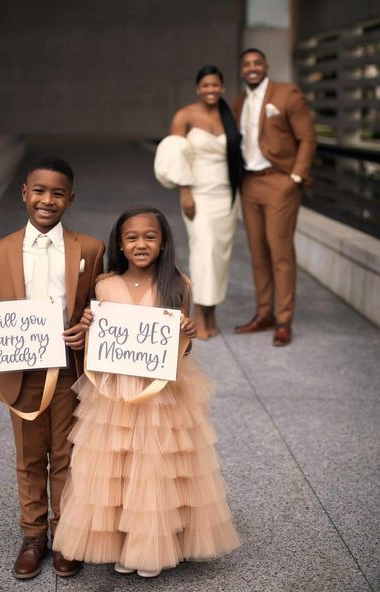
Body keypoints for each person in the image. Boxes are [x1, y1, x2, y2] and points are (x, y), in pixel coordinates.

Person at [52, 205, 240, 578]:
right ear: (120, 244)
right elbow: (100, 347)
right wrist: (90, 325)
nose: (141, 244)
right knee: (116, 468)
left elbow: (183, 352)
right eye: (132, 237)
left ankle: (150, 545)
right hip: (115, 393)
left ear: (163, 242)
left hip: (161, 393)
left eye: (150, 237)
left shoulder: (178, 285)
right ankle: (123, 542)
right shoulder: (104, 284)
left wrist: (187, 335)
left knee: (155, 468)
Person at [0, 156, 105, 580]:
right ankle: (33, 535)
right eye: (39, 191)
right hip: (21, 369)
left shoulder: (89, 249)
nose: (47, 200)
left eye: (58, 193)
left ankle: (66, 535)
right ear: (24, 193)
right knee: (28, 457)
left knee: (66, 455)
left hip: (68, 372)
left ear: (70, 199)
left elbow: (100, 306)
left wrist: (86, 330)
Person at [232, 48, 317, 346]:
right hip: (250, 185)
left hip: (280, 182)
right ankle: (264, 313)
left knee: (280, 253)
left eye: (257, 63)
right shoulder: (239, 102)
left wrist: (295, 176)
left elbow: (307, 136)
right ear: (241, 70)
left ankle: (284, 320)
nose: (252, 68)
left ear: (266, 66)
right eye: (246, 64)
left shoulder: (287, 93)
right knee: (257, 254)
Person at [154, 65, 243, 340]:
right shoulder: (185, 115)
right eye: (205, 85)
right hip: (198, 194)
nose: (211, 90)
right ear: (198, 88)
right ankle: (200, 315)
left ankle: (212, 312)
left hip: (227, 195)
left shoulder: (229, 114)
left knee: (220, 256)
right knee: (203, 252)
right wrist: (185, 193)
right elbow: (175, 156)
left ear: (222, 87)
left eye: (215, 85)